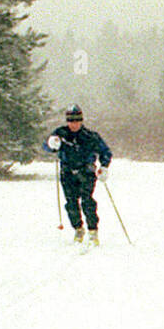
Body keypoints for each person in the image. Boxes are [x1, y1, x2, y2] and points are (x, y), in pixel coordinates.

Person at [42, 105, 112, 244]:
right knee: (71, 203)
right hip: (67, 172)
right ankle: (78, 229)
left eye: (76, 121)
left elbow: (105, 152)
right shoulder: (60, 133)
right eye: (71, 121)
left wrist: (104, 167)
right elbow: (47, 146)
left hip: (86, 172)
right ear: (67, 121)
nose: (74, 124)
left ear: (81, 120)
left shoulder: (90, 136)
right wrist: (51, 145)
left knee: (87, 201)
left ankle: (93, 231)